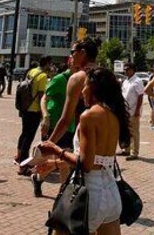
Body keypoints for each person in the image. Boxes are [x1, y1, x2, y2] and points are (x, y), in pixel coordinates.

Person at [40, 67, 130, 235]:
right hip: (111, 193)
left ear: (94, 88)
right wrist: (55, 163)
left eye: (85, 86)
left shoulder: (89, 116)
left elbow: (87, 164)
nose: (82, 91)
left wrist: (56, 150)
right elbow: (99, 159)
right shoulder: (114, 115)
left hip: (88, 195)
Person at [45, 38, 101, 192]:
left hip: (83, 137)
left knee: (79, 191)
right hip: (105, 142)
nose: (70, 56)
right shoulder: (109, 77)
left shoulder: (77, 78)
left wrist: (48, 145)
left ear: (82, 53)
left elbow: (65, 120)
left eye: (72, 52)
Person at [32, 62, 75, 197]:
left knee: (63, 162)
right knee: (63, 162)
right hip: (56, 125)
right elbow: (44, 97)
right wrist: (45, 117)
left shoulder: (82, 79)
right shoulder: (60, 79)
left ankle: (39, 179)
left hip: (71, 125)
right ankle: (63, 196)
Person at [15, 56, 51, 172]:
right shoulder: (43, 76)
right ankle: (23, 165)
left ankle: (19, 156)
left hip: (25, 107)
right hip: (34, 109)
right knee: (29, 137)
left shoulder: (32, 71)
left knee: (24, 133)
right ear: (47, 64)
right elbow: (41, 96)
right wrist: (43, 113)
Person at [119, 62, 144, 161]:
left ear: (133, 70)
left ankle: (134, 152)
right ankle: (127, 149)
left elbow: (140, 96)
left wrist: (137, 110)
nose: (126, 71)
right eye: (125, 69)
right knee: (127, 131)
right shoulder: (126, 81)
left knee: (134, 132)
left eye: (128, 69)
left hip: (134, 111)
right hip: (125, 110)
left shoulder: (137, 81)